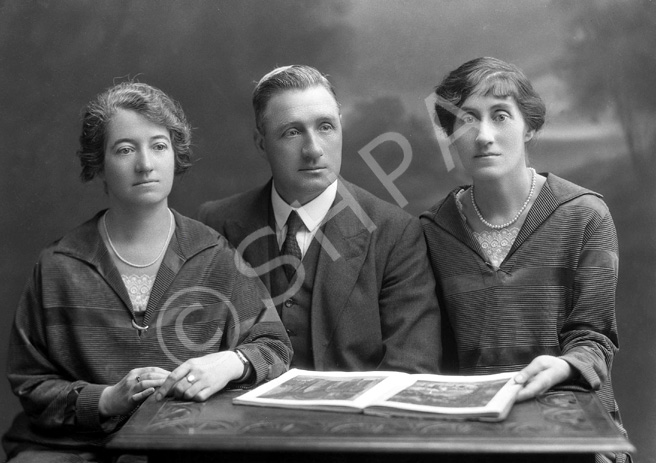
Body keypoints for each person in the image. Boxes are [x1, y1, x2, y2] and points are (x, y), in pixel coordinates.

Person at [3, 82, 292, 462]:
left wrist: (229, 363)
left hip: (183, 445)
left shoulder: (214, 255)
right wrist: (106, 399)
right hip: (73, 450)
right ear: (99, 164)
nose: (145, 164)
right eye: (125, 149)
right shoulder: (60, 265)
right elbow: (31, 382)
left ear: (176, 155)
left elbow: (274, 346)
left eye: (158, 145)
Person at [421, 57, 629, 463]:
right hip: (476, 439)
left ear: (529, 126)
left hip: (575, 433)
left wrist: (562, 367)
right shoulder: (432, 230)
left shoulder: (584, 215)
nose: (483, 135)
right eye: (466, 120)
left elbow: (595, 338)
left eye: (500, 116)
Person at [198, 65, 441, 373]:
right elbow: (198, 348)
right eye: (292, 132)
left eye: (325, 127)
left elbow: (411, 369)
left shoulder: (396, 233)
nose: (313, 150)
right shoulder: (217, 223)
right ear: (262, 144)